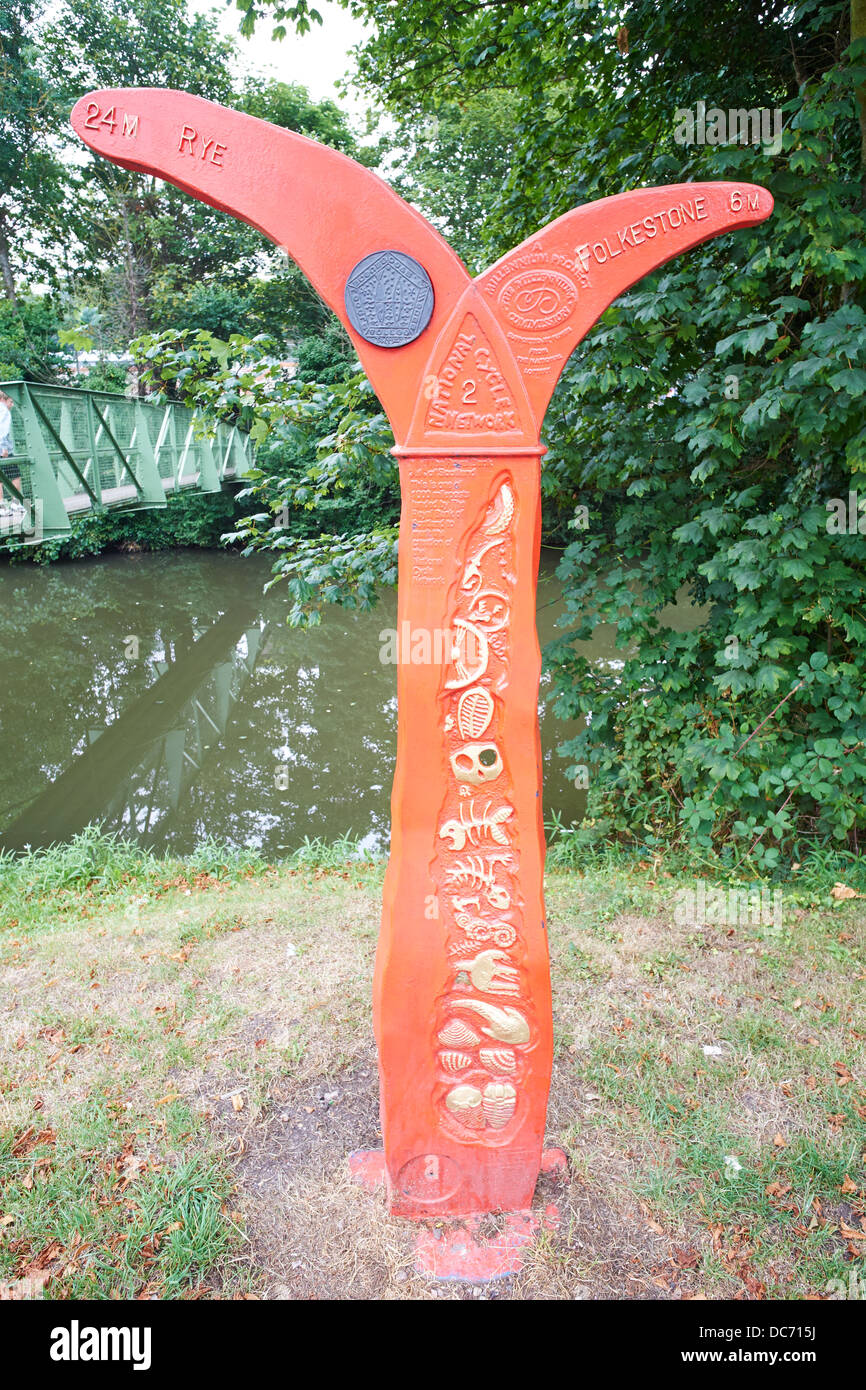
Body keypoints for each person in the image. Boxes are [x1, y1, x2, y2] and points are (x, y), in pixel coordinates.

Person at [0, 390, 23, 510]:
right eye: (11, 401)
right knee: (15, 475)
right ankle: (15, 503)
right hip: (3, 451)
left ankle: (1, 507)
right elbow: (2, 430)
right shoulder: (3, 410)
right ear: (3, 399)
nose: (12, 405)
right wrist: (3, 448)